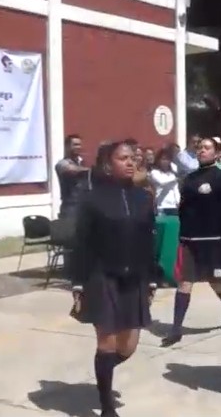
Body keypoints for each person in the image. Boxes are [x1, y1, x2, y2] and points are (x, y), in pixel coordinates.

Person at [70, 142, 156, 417]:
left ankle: (103, 371)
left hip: (136, 279)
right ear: (108, 164)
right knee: (106, 343)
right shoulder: (92, 198)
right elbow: (82, 243)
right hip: (102, 277)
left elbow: (148, 241)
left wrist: (152, 277)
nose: (130, 162)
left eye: (133, 158)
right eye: (123, 158)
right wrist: (78, 282)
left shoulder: (144, 197)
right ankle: (106, 405)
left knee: (128, 347)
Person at [161, 137, 221, 347]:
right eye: (199, 148)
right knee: (184, 283)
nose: (202, 151)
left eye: (207, 148)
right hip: (190, 240)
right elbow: (184, 208)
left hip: (215, 242)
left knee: (217, 283)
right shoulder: (189, 178)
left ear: (217, 153)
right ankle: (176, 329)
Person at [55, 134, 89, 218]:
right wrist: (91, 170)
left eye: (79, 145)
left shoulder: (81, 162)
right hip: (70, 206)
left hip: (84, 205)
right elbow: (71, 170)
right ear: (67, 146)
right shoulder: (62, 163)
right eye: (75, 145)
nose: (78, 147)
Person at [149, 148, 180, 216]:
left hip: (173, 205)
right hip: (161, 205)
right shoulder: (154, 172)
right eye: (163, 159)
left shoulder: (172, 174)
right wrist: (175, 179)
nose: (165, 161)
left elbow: (175, 189)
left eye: (167, 159)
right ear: (158, 160)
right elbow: (162, 182)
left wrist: (178, 201)